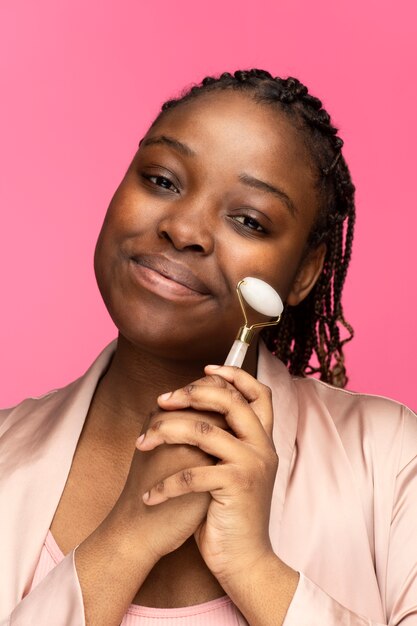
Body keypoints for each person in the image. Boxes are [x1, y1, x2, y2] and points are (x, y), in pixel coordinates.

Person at [1, 69, 416, 626]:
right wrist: (122, 543)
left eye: (248, 219)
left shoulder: (390, 463)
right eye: (162, 180)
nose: (184, 228)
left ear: (304, 273)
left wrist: (253, 568)